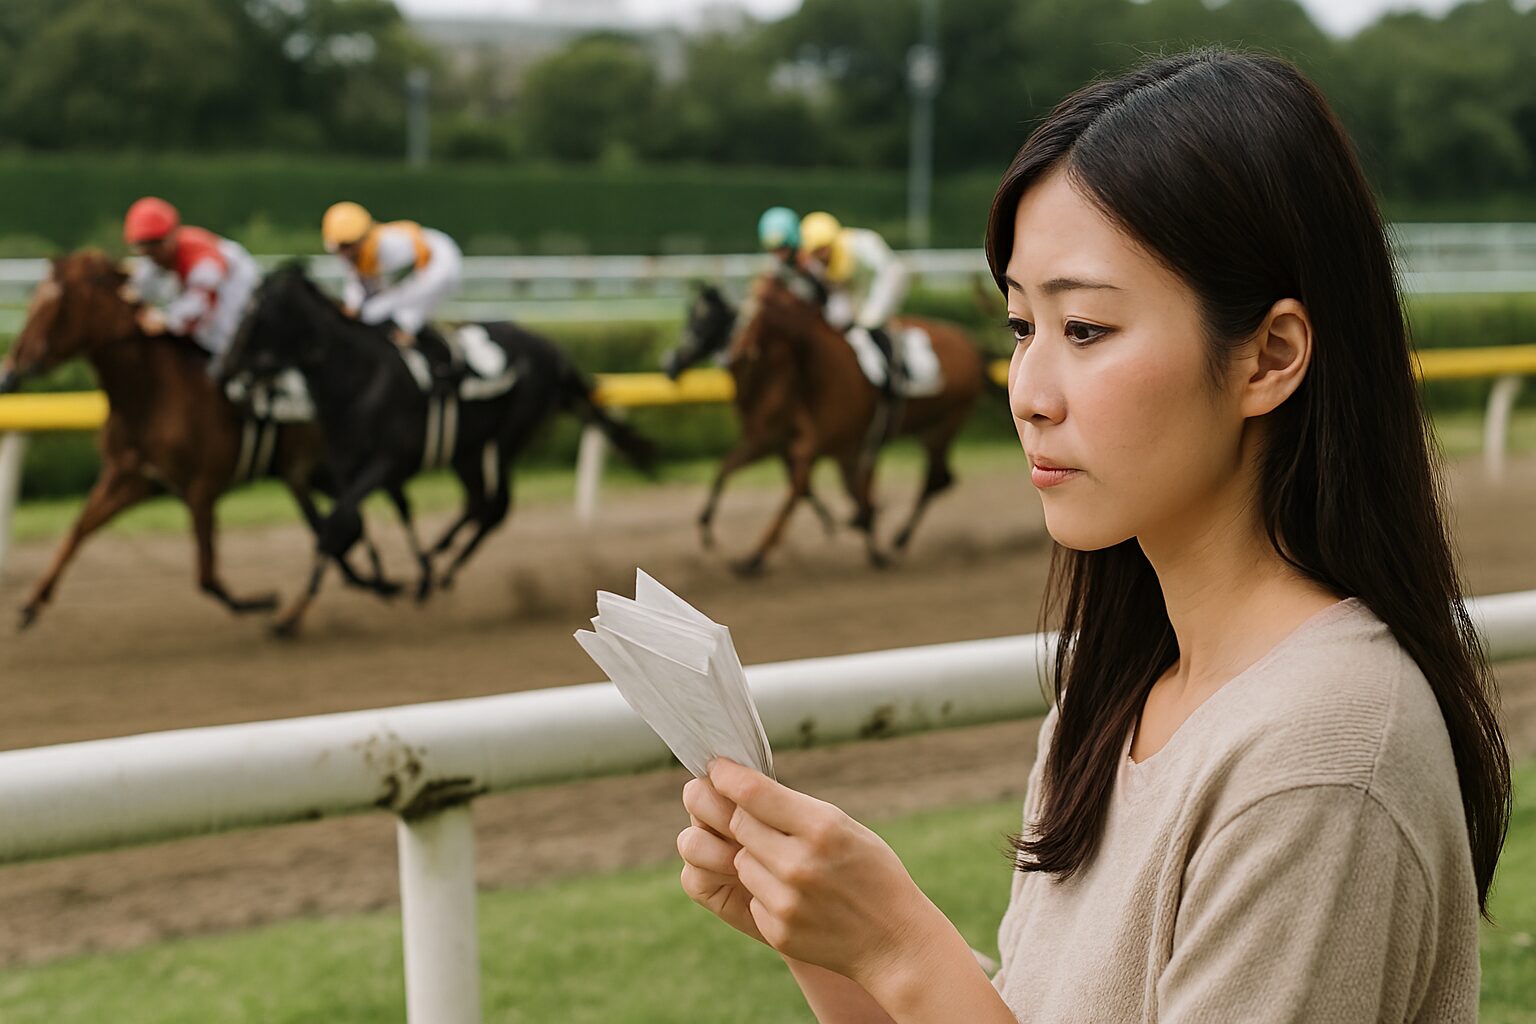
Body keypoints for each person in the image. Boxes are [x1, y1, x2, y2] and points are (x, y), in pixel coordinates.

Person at [677, 48, 1508, 1023]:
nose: (1027, 394)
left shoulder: (1320, 754)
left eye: (1084, 330)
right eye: (1020, 327)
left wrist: (896, 944)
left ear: (1269, 357)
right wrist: (828, 941)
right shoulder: (1115, 691)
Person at [122, 196, 260, 379]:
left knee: (221, 341)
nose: (151, 253)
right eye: (143, 247)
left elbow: (199, 305)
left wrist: (166, 320)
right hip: (210, 286)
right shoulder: (159, 255)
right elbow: (142, 282)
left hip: (234, 287)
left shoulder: (203, 262)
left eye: (155, 245)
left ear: (172, 235)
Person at [320, 201, 463, 370]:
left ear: (363, 238)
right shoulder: (357, 249)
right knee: (372, 311)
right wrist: (352, 304)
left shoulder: (390, 248)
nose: (343, 253)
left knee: (375, 312)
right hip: (416, 269)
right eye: (340, 247)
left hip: (439, 263)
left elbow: (411, 288)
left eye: (347, 246)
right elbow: (357, 278)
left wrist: (409, 324)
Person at [797, 211, 909, 395]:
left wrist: (871, 315)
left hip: (882, 286)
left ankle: (894, 377)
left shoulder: (864, 246)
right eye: (815, 252)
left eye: (823, 249)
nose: (821, 256)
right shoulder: (815, 262)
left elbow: (893, 274)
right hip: (854, 295)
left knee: (870, 326)